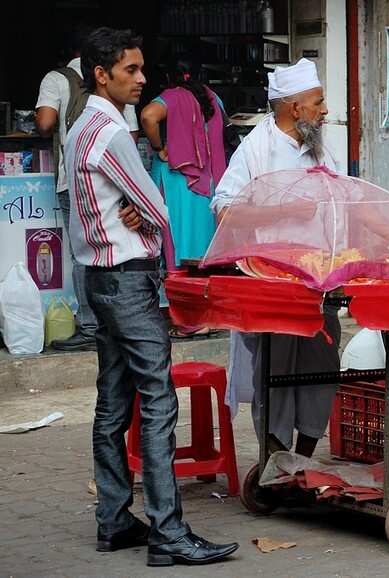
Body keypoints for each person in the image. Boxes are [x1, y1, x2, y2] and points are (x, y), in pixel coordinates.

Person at [65, 26, 238, 566]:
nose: (142, 79)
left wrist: (140, 210)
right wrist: (146, 213)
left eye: (142, 69)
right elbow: (158, 208)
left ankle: (115, 520)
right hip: (129, 280)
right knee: (158, 400)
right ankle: (168, 531)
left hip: (97, 277)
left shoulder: (79, 129)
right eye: (131, 71)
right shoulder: (111, 134)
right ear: (102, 74)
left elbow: (113, 202)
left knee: (113, 404)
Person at [210, 58, 343, 457]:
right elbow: (224, 209)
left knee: (322, 362)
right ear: (294, 108)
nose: (325, 111)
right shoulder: (257, 149)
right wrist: (284, 211)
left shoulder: (322, 150)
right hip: (272, 283)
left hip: (320, 279)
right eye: (318, 102)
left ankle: (302, 458)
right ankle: (274, 456)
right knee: (275, 367)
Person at [35, 22, 139, 352]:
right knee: (116, 244)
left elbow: (45, 123)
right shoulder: (121, 80)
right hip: (115, 178)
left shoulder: (55, 78)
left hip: (74, 179)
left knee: (84, 251)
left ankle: (91, 325)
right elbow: (132, 137)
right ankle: (117, 321)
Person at [140, 52, 226, 338]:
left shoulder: (171, 96)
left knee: (176, 249)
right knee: (206, 250)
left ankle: (188, 322)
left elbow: (148, 116)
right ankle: (209, 316)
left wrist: (159, 148)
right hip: (210, 184)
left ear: (168, 76)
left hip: (178, 183)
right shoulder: (213, 98)